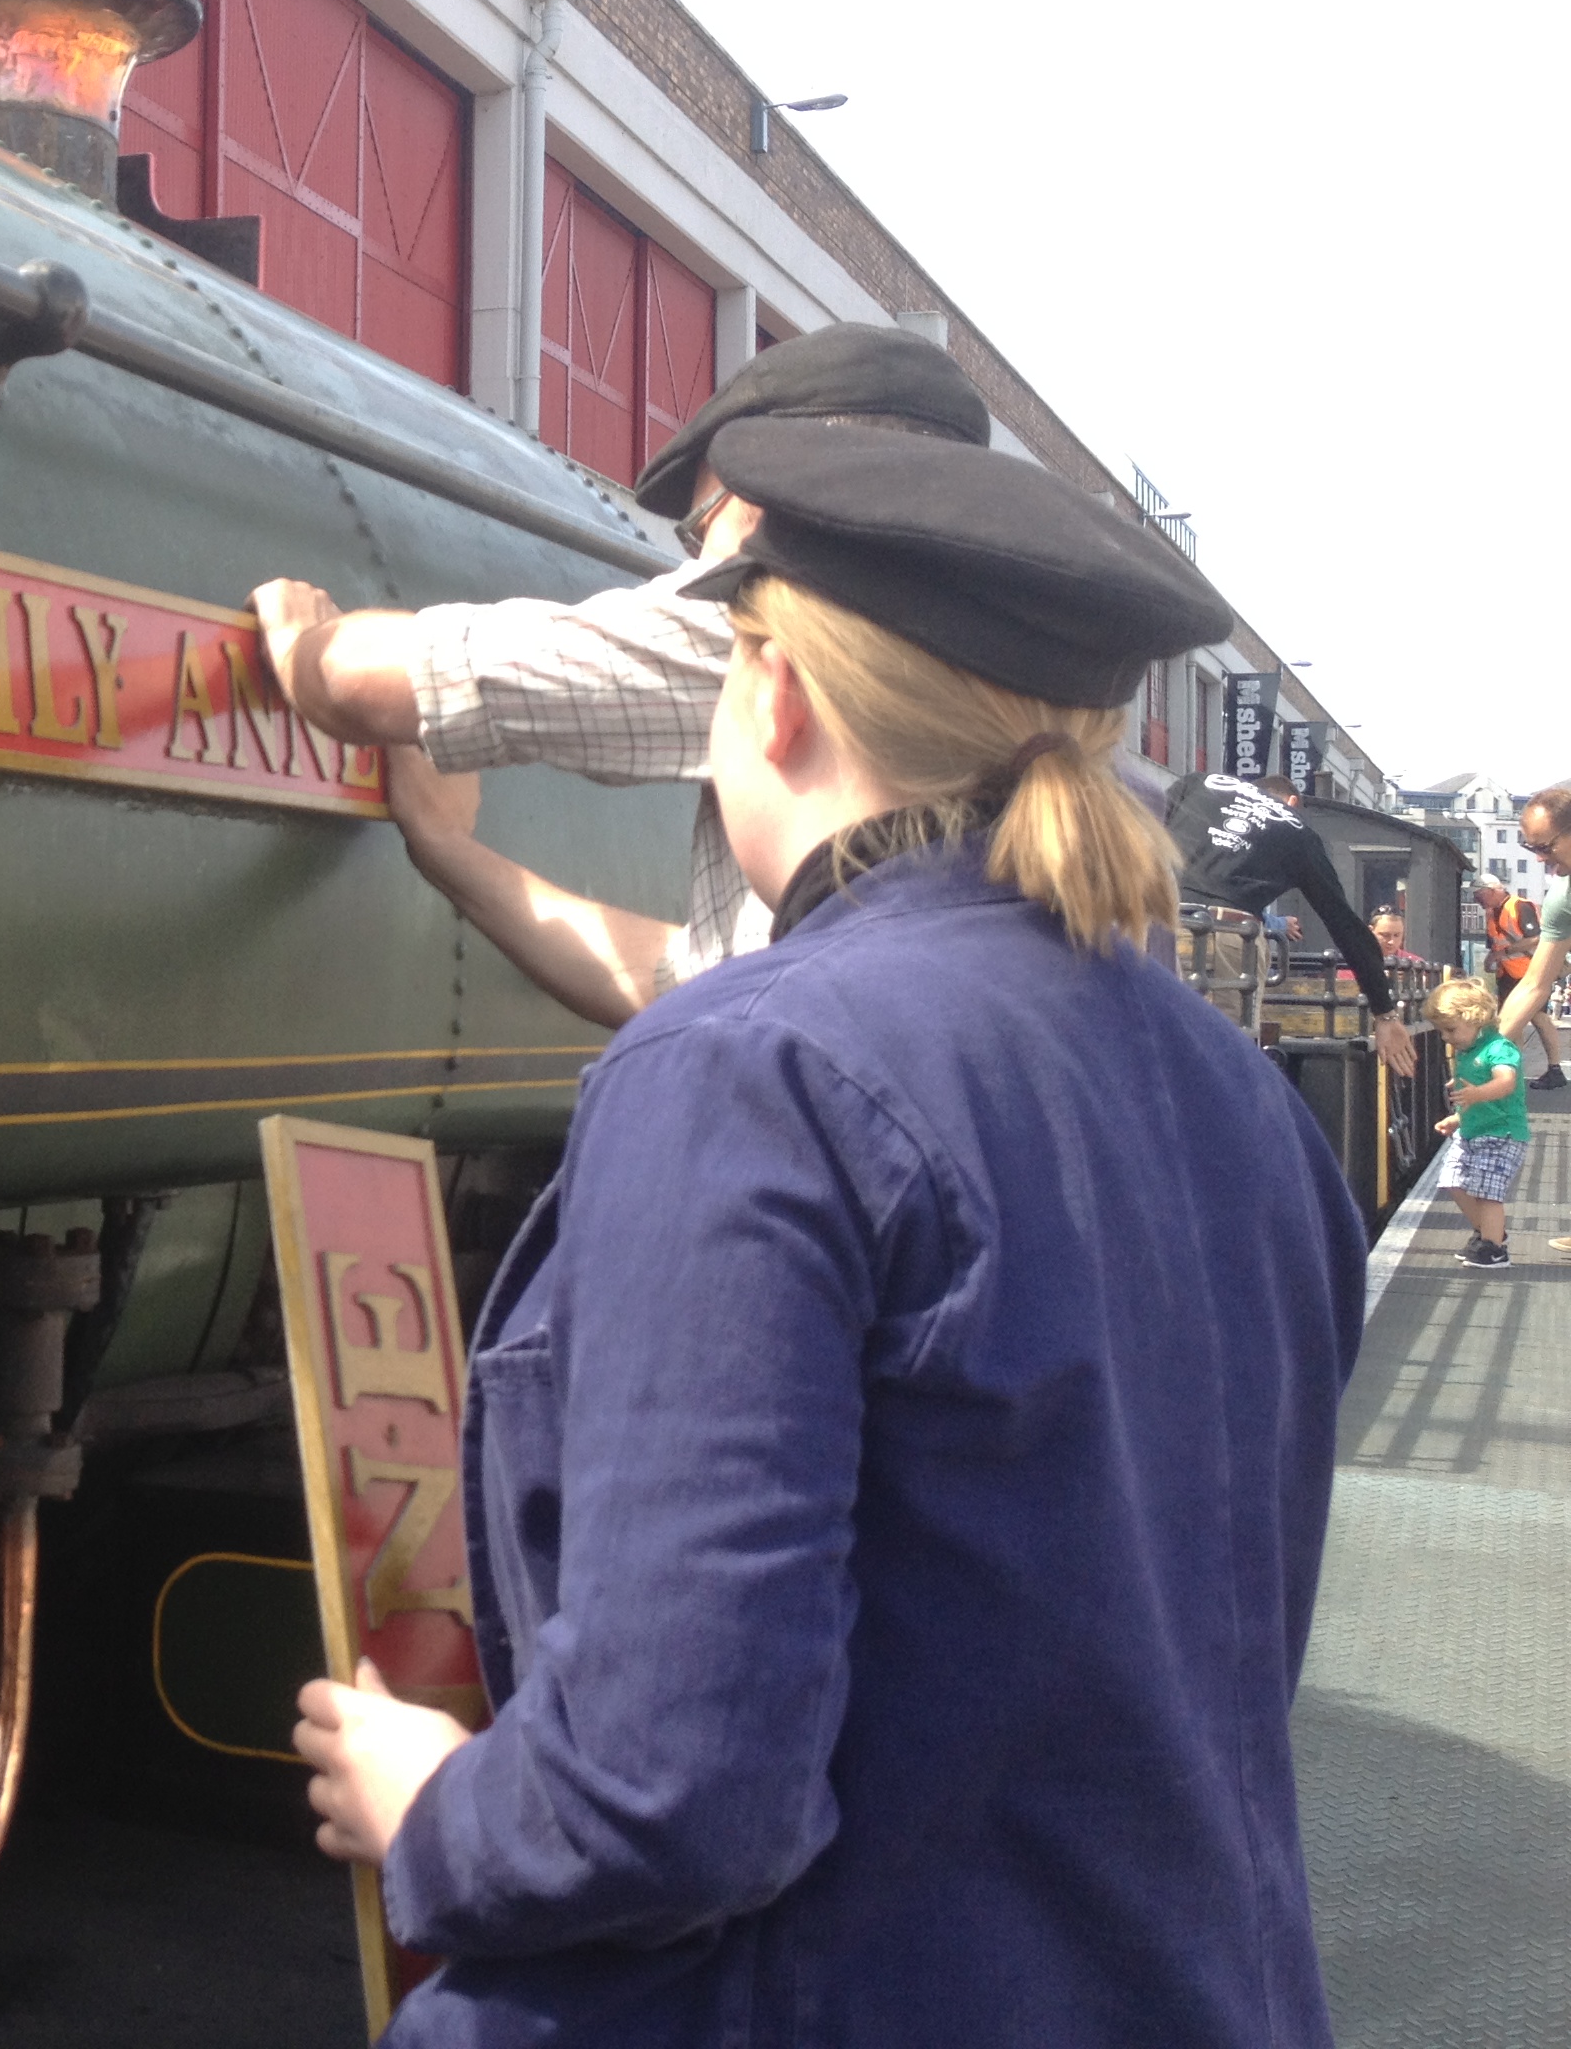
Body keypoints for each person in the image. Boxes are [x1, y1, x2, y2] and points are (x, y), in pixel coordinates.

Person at [289, 419, 1362, 2046]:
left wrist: (439, 1811)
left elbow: (672, 1793)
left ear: (773, 691)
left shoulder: (744, 1071)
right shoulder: (1247, 1104)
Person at [253, 325, 992, 1023]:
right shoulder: (992, 664)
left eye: (699, 532)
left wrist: (301, 647)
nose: (691, 569)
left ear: (754, 504)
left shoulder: (766, 619)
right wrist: (450, 854)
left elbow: (386, 680)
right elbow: (699, 980)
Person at [1165, 770, 1416, 1075]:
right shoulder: (1298, 831)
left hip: (1159, 920)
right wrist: (1384, 1012)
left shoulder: (1201, 782)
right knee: (1222, 1061)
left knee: (1149, 1035)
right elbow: (1343, 923)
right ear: (1293, 802)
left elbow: (1141, 831)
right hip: (1230, 936)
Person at [1425, 975, 1530, 1269]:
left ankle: (1494, 1249)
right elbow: (1473, 1099)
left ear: (1476, 1018)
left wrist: (1476, 1093)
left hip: (1502, 1134)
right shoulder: (1467, 1051)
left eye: (1450, 1029)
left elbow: (1506, 1082)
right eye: (1441, 1031)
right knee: (1452, 1181)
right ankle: (1488, 1233)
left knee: (1488, 1193)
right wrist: (1458, 1118)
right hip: (1472, 1132)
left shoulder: (1499, 1048)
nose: (1445, 1037)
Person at [1500, 786, 1571, 1092]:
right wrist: (1484, 1055)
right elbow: (1534, 984)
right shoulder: (1562, 898)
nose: (1540, 859)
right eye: (1532, 849)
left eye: (1545, 847)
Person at [1479, 877, 1564, 1085]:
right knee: (1511, 1019)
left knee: (1538, 1017)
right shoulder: (1491, 913)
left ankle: (1554, 1069)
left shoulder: (1519, 906)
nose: (1476, 900)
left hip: (1530, 972)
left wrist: (1504, 953)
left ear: (1491, 891)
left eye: (1478, 895)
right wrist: (1492, 958)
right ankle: (1512, 1069)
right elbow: (1495, 945)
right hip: (1507, 974)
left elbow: (1536, 937)